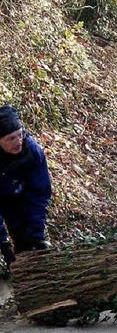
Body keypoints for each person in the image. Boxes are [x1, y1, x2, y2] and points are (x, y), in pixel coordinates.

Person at [0, 105, 52, 272]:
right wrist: (3, 243)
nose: (18, 142)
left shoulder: (32, 151)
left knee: (29, 241)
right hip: (4, 196)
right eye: (11, 139)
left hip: (25, 192)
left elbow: (40, 193)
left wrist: (37, 233)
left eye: (20, 135)